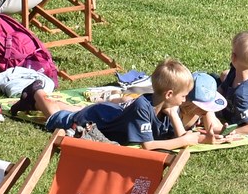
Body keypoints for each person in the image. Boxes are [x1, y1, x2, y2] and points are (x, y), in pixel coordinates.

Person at [15, 57, 211, 149]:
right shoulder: (143, 108)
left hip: (111, 112)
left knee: (69, 110)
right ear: (169, 94)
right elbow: (149, 146)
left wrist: (175, 116)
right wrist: (185, 141)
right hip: (94, 120)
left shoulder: (166, 107)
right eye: (184, 96)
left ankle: (35, 99)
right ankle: (37, 93)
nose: (185, 100)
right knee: (58, 117)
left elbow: (176, 135)